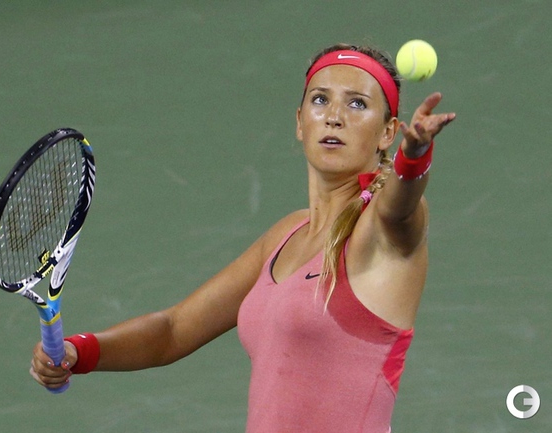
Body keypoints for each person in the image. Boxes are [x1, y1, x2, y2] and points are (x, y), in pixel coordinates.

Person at [30, 43, 455, 432]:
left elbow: (400, 206)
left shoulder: (381, 232)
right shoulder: (285, 235)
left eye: (357, 103)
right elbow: (175, 329)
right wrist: (80, 352)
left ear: (388, 132)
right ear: (300, 122)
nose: (334, 116)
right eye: (320, 99)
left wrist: (414, 157)